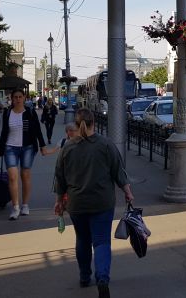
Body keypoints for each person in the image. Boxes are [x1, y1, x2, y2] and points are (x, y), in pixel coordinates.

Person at [54, 108, 133, 297]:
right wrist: (128, 193)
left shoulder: (68, 148)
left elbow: (60, 178)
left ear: (76, 124)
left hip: (77, 204)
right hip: (102, 202)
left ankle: (84, 276)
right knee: (101, 241)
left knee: (82, 239)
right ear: (93, 124)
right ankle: (103, 278)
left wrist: (59, 201)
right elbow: (118, 171)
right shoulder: (106, 145)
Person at [0, 89, 46, 220]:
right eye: (15, 97)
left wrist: (42, 146)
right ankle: (15, 207)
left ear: (24, 98)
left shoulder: (29, 112)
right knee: (12, 177)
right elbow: (4, 132)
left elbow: (37, 130)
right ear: (12, 99)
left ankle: (25, 205)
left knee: (25, 175)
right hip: (10, 148)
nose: (17, 99)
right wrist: (0, 150)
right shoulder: (7, 113)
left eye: (20, 97)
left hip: (28, 147)